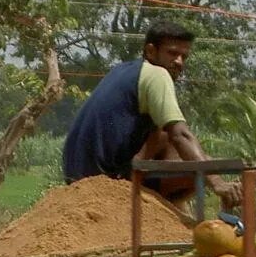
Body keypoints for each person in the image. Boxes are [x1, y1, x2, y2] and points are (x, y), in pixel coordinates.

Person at [62, 21, 242, 209]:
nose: (179, 62)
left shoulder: (125, 70)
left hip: (75, 175)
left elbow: (162, 136)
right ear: (150, 51)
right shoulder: (157, 74)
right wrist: (217, 182)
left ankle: (173, 213)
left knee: (163, 134)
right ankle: (163, 213)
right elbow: (180, 135)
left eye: (184, 56)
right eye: (172, 53)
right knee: (204, 165)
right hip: (105, 179)